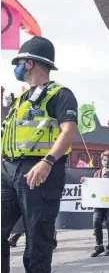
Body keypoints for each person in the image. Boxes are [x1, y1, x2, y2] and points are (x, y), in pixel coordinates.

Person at [1, 36, 78, 273]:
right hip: (8, 171)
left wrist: (48, 161)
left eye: (19, 62)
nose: (16, 67)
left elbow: (69, 130)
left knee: (37, 238)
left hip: (39, 171)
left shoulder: (60, 94)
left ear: (29, 63)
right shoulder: (21, 99)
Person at [81, 151, 109, 257]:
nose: (106, 162)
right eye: (104, 160)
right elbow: (93, 187)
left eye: (108, 160)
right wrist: (85, 181)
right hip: (99, 203)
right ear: (101, 161)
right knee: (96, 222)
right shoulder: (97, 173)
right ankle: (99, 245)